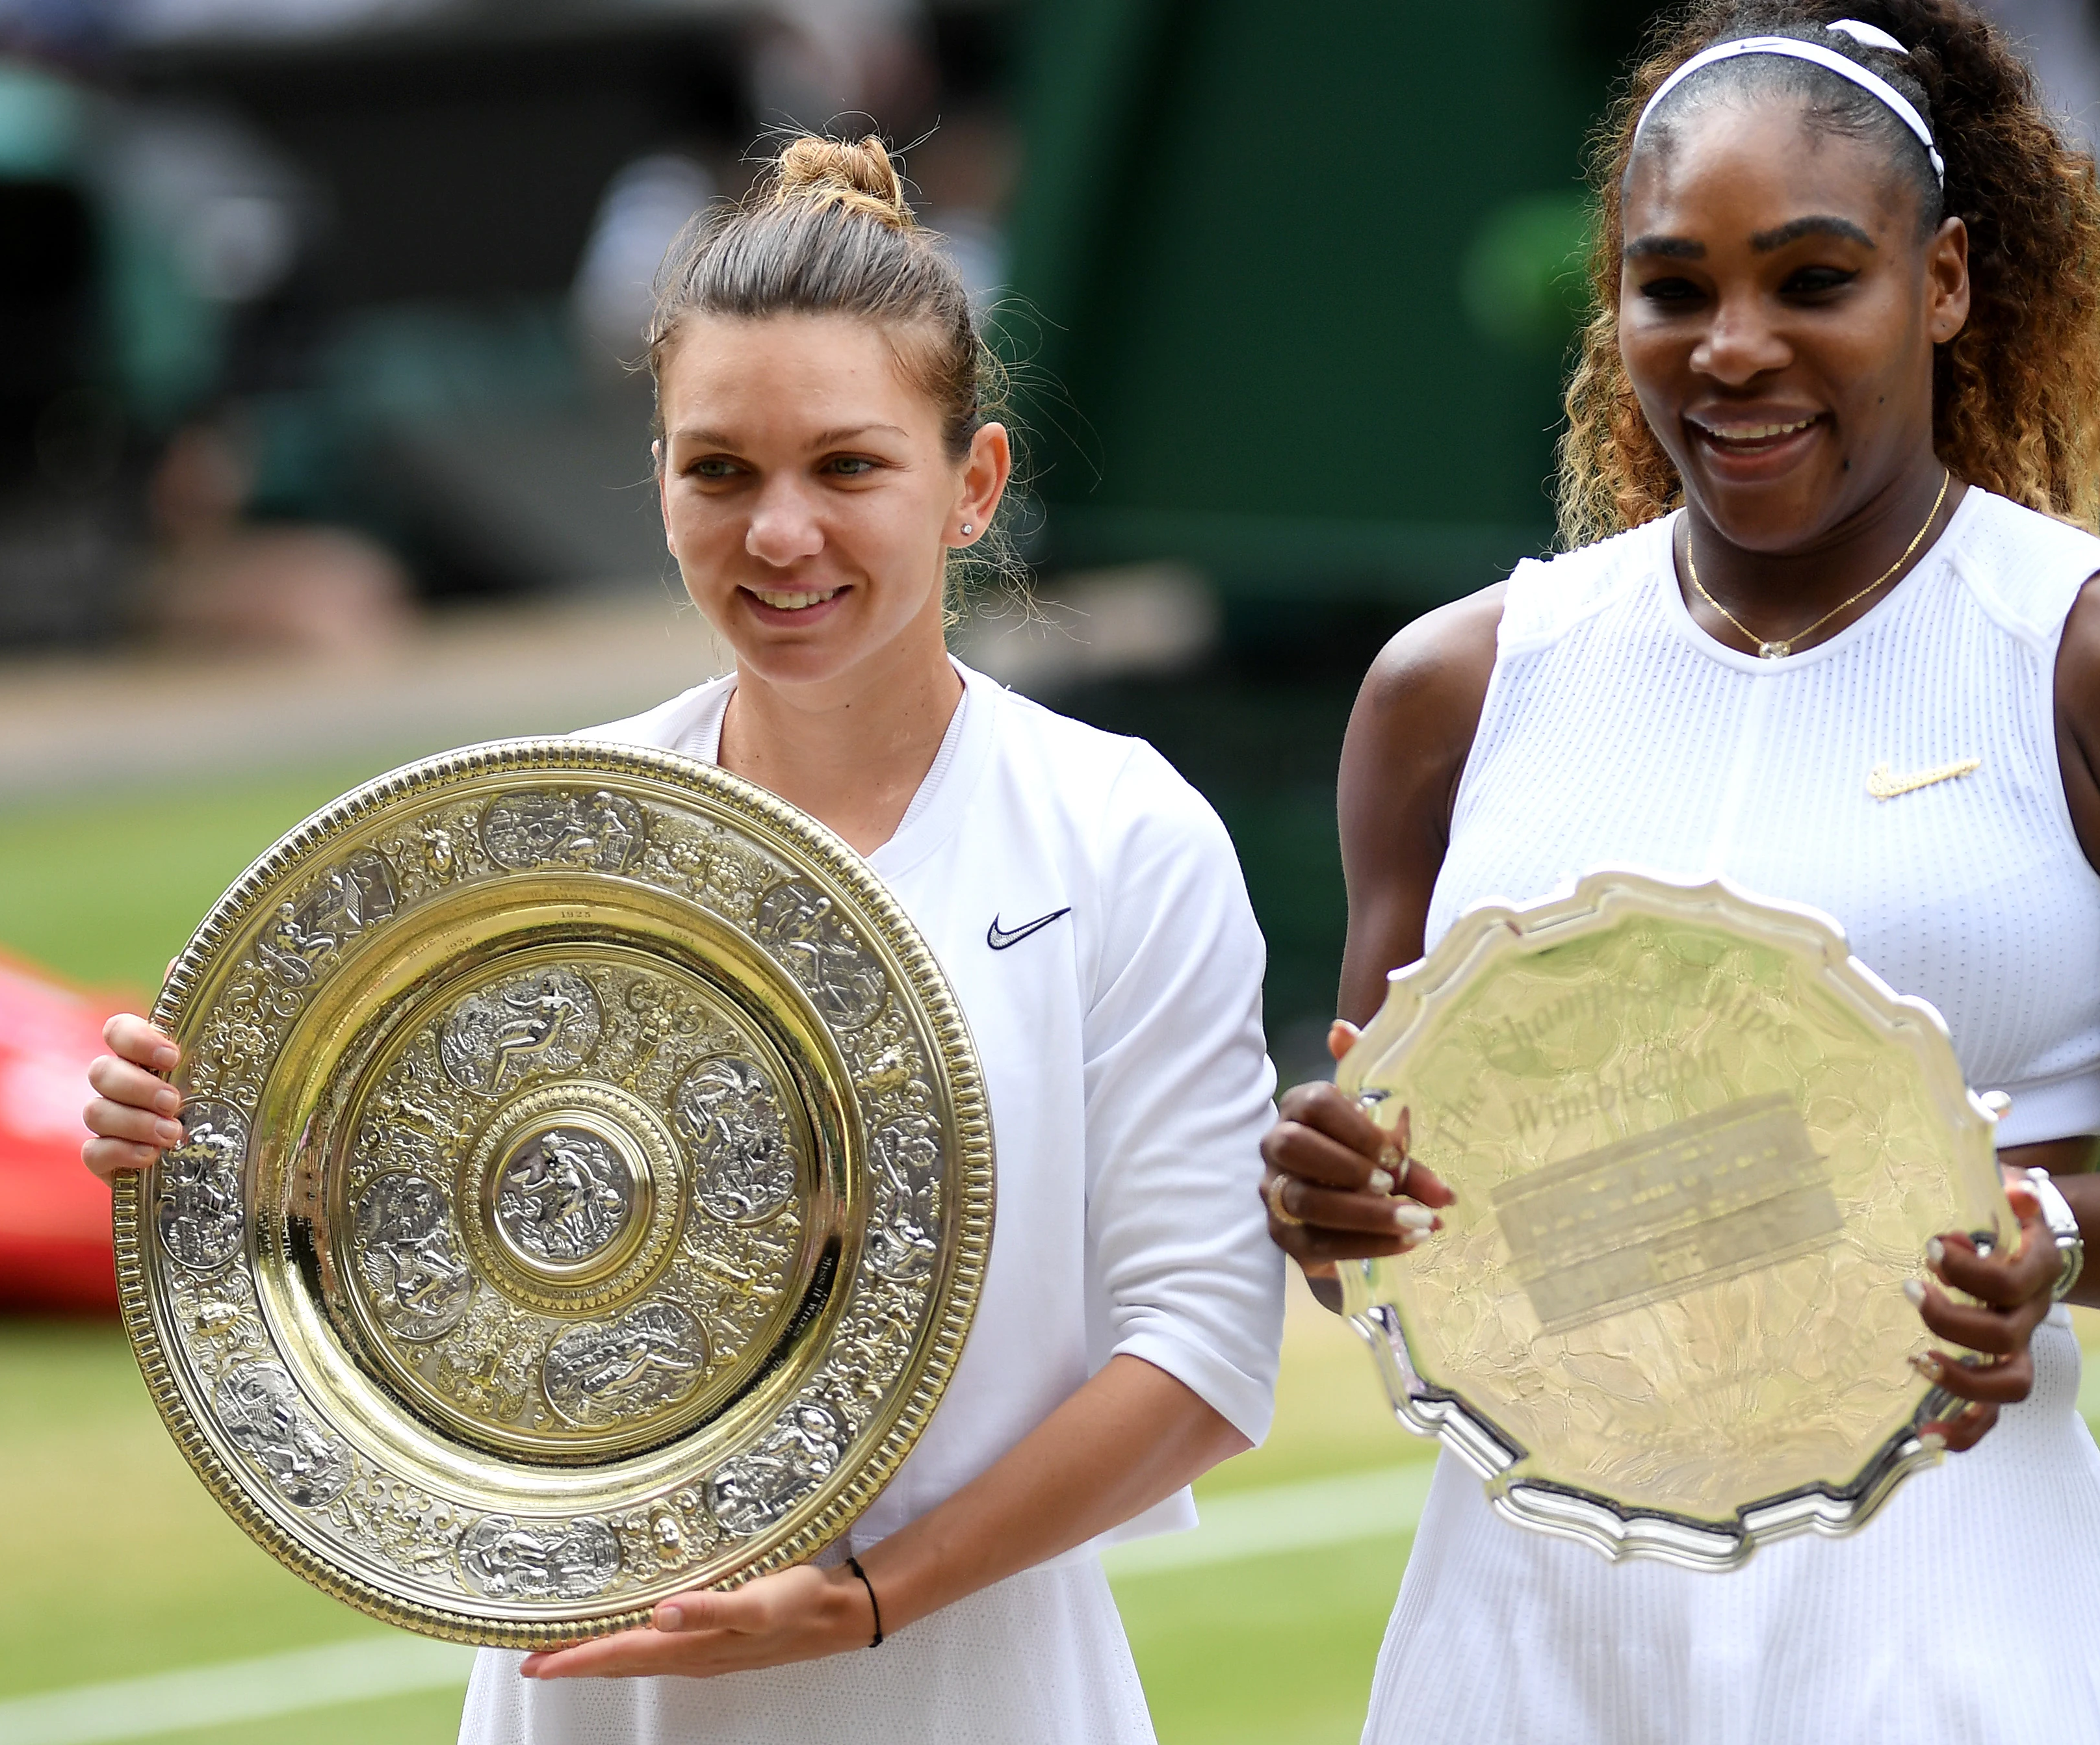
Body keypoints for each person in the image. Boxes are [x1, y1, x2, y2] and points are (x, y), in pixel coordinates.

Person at [1256, 5, 2100, 1740]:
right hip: (1522, 1651)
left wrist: (2053, 1231)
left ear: (1940, 281)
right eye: (1672, 288)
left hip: (1958, 1638)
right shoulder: (1454, 689)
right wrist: (1328, 1195)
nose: (1732, 349)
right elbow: (1398, 1247)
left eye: (1810, 282)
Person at [83, 134, 1287, 1744]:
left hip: (978, 1693)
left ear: (974, 483)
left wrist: (873, 1602)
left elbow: (1203, 1349)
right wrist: (200, 1132)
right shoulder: (525, 848)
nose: (778, 533)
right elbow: (370, 1250)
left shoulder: (1121, 835)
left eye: (848, 467)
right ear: (657, 480)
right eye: (719, 469)